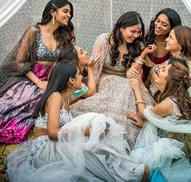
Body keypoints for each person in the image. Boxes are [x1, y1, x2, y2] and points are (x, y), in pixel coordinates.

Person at [7, 60, 149, 182]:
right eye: (79, 74)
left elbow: (90, 91)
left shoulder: (66, 98)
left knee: (92, 137)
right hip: (45, 149)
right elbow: (52, 133)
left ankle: (125, 171)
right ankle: (127, 175)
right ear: (71, 80)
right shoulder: (55, 97)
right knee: (89, 130)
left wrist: (92, 131)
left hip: (57, 144)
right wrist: (86, 131)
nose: (82, 76)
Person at [70, 11, 152, 147]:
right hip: (105, 80)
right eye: (133, 31)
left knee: (128, 87)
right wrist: (90, 93)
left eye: (139, 32)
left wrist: (142, 56)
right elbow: (95, 70)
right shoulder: (103, 40)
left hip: (127, 83)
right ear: (121, 27)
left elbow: (133, 75)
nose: (136, 36)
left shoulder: (137, 45)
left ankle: (124, 136)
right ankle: (112, 133)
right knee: (123, 88)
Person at [0, 0, 75, 144]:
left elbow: (63, 64)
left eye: (70, 13)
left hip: (52, 81)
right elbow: (19, 62)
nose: (69, 16)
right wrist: (38, 82)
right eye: (65, 11)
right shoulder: (34, 31)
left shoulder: (63, 36)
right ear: (53, 12)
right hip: (31, 79)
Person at [141, 8, 182, 86]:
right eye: (158, 21)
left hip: (159, 87)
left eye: (164, 25)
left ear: (172, 28)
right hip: (138, 81)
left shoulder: (173, 47)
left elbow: (172, 74)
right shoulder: (144, 37)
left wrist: (151, 64)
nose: (158, 26)